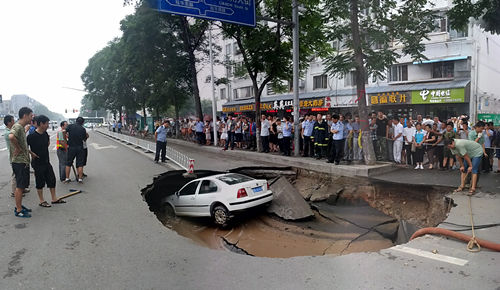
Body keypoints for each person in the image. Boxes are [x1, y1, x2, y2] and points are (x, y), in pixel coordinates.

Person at [27, 115, 65, 208]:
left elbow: (47, 144)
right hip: (37, 162)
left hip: (46, 161)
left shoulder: (45, 134)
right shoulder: (31, 136)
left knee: (51, 179)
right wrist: (32, 153)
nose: (48, 125)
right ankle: (41, 200)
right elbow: (23, 146)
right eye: (47, 123)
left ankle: (54, 198)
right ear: (41, 124)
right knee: (40, 182)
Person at [9, 107, 34, 217]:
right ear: (25, 115)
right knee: (20, 186)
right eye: (30, 115)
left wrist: (30, 152)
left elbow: (22, 143)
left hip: (23, 161)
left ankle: (19, 206)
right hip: (19, 162)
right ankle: (18, 210)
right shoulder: (18, 127)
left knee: (22, 186)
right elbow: (11, 136)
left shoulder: (21, 128)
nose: (31, 118)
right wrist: (18, 148)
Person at [64, 117, 89, 184]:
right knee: (80, 164)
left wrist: (66, 140)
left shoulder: (70, 126)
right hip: (80, 148)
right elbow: (84, 139)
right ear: (82, 122)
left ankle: (67, 178)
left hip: (71, 147)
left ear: (76, 121)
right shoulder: (82, 129)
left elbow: (64, 131)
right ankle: (80, 179)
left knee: (68, 163)